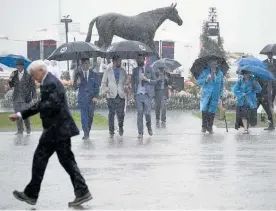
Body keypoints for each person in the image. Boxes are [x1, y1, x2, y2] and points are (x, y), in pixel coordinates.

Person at [9, 60, 92, 207]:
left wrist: (24, 112)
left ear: (41, 70)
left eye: (34, 75)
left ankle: (32, 194)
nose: (34, 79)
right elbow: (45, 104)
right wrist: (22, 113)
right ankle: (82, 192)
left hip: (56, 129)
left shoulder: (50, 82)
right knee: (66, 161)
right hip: (59, 129)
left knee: (41, 159)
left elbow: (49, 104)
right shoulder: (48, 81)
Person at [101, 55, 127, 138]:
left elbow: (125, 82)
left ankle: (120, 126)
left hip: (121, 95)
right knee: (111, 114)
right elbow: (103, 83)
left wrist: (127, 86)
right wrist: (106, 89)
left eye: (120, 60)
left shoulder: (123, 71)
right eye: (119, 60)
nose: (120, 62)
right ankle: (111, 131)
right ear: (114, 61)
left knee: (121, 114)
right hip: (111, 95)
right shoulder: (108, 70)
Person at [8, 59, 37, 135]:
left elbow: (33, 87)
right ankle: (20, 130)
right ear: (16, 66)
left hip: (26, 98)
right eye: (17, 65)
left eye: (20, 65)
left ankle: (28, 128)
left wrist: (34, 97)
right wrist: (10, 79)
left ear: (23, 66)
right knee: (17, 114)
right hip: (16, 98)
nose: (19, 67)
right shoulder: (14, 74)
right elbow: (11, 85)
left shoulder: (29, 74)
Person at [73, 58, 99, 140]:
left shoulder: (94, 74)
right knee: (84, 117)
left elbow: (96, 87)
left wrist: (96, 96)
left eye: (87, 63)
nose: (86, 65)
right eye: (84, 64)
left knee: (90, 117)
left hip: (92, 99)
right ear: (81, 65)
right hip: (82, 99)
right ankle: (86, 133)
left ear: (89, 64)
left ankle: (87, 130)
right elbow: (74, 87)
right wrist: (77, 83)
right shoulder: (78, 74)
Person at [132, 55, 157, 138]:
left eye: (141, 59)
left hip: (147, 95)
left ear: (143, 59)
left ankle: (149, 126)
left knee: (147, 113)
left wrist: (147, 80)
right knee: (139, 113)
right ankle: (140, 132)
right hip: (138, 95)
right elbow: (133, 83)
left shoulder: (150, 69)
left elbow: (155, 81)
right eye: (138, 59)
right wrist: (133, 93)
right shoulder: (135, 70)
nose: (139, 60)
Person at [197, 59, 224, 134]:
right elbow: (199, 81)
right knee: (205, 110)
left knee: (212, 111)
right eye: (212, 67)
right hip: (206, 94)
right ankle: (204, 127)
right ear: (209, 66)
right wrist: (206, 79)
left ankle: (210, 127)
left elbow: (222, 85)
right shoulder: (205, 72)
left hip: (215, 95)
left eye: (215, 67)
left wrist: (221, 95)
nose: (213, 68)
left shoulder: (220, 74)